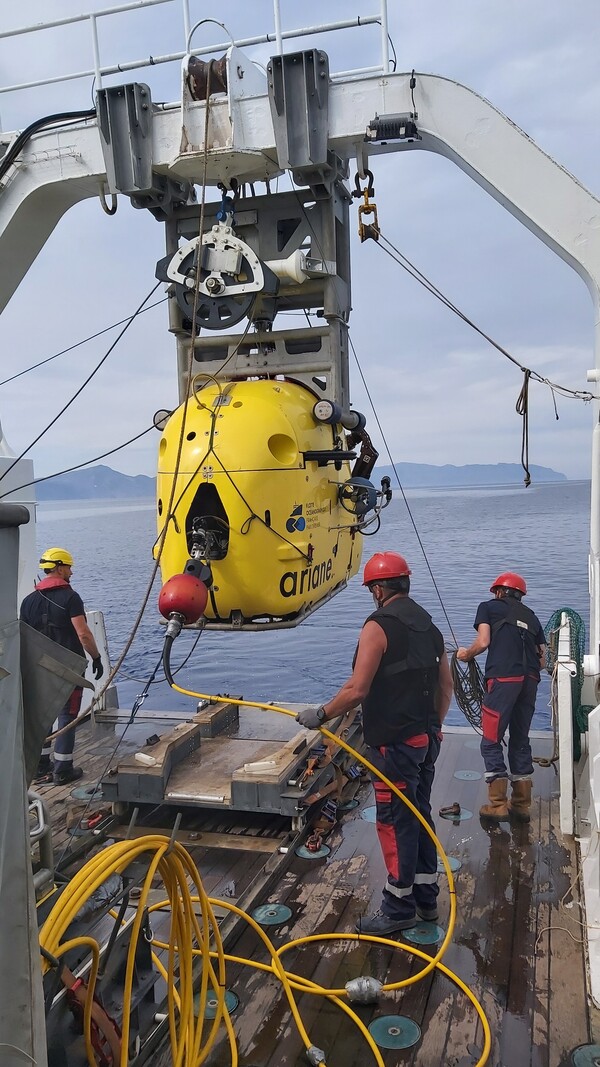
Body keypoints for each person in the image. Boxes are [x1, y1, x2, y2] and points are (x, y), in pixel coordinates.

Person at [296, 551, 453, 936]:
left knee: (395, 822)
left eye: (372, 589)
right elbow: (445, 686)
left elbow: (356, 688)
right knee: (419, 814)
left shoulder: (377, 626)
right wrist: (434, 727)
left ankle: (398, 908)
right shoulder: (430, 627)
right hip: (425, 740)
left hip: (395, 745)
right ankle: (426, 900)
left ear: (379, 588)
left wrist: (320, 714)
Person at [456, 571, 546, 822]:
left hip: (504, 679)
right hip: (530, 681)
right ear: (520, 596)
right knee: (520, 738)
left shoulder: (488, 607)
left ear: (498, 592)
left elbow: (483, 641)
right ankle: (521, 805)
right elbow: (542, 661)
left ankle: (497, 805)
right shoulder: (532, 617)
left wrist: (467, 655)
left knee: (491, 739)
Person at [20, 547, 104, 786]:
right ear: (58, 567)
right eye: (68, 567)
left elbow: (25, 638)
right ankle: (63, 770)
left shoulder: (28, 602)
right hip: (68, 668)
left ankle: (40, 767)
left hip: (39, 668)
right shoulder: (70, 598)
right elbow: (83, 634)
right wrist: (95, 657)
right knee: (67, 716)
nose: (71, 572)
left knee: (43, 716)